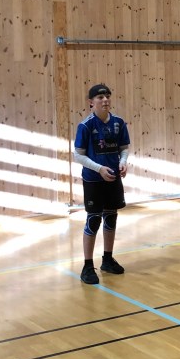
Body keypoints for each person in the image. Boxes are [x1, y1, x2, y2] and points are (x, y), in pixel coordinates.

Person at [74, 83, 130, 284]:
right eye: (100, 97)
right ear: (91, 102)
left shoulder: (118, 123)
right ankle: (88, 266)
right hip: (94, 179)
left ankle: (107, 259)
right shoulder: (86, 126)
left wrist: (123, 162)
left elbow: (124, 148)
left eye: (107, 96)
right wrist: (99, 169)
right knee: (94, 220)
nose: (105, 100)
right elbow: (78, 155)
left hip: (113, 178)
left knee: (111, 217)